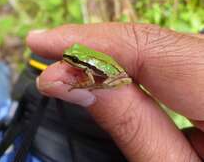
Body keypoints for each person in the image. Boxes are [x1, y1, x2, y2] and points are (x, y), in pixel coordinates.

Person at [27, 23, 204, 162]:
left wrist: (88, 85)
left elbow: (89, 80)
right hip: (106, 63)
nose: (68, 59)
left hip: (114, 74)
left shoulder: (87, 70)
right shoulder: (83, 61)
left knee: (102, 88)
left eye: (73, 59)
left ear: (81, 62)